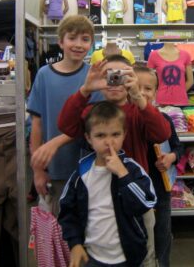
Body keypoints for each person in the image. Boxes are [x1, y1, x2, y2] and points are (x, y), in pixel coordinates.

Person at [58, 55, 171, 267]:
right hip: (99, 198)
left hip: (134, 196)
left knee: (144, 256)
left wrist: (138, 95)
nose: (116, 80)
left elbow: (162, 133)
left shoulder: (139, 110)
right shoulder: (94, 113)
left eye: (123, 75)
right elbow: (66, 125)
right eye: (110, 75)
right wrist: (86, 90)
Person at [59, 101, 157, 267]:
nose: (109, 142)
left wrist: (123, 175)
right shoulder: (82, 172)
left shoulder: (132, 169)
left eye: (115, 134)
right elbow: (67, 210)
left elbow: (145, 204)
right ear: (88, 138)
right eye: (100, 135)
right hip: (91, 257)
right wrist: (75, 243)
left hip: (129, 257)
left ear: (124, 135)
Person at [27, 15, 102, 215]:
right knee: (58, 230)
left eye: (85, 39)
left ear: (91, 44)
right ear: (60, 41)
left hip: (88, 167)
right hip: (54, 168)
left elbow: (94, 126)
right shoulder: (44, 74)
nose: (78, 45)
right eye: (72, 38)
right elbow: (37, 124)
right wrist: (38, 170)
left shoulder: (93, 78)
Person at [133, 65, 183, 267]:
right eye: (137, 87)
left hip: (160, 189)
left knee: (162, 234)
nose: (143, 93)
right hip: (135, 191)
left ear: (155, 92)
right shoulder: (123, 119)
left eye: (148, 88)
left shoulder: (163, 120)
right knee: (138, 236)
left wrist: (171, 157)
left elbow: (178, 147)